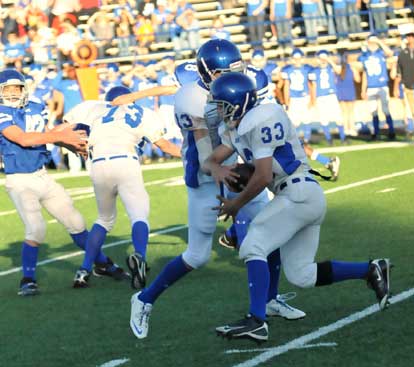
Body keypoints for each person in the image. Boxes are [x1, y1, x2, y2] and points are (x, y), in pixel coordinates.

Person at [129, 40, 305, 340]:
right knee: (197, 256)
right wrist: (224, 171)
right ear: (206, 72)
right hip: (205, 175)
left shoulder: (247, 81)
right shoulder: (190, 97)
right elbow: (206, 151)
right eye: (225, 71)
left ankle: (267, 303)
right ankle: (144, 299)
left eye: (236, 69)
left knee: (266, 237)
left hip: (238, 168)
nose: (233, 75)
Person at [203, 72, 391, 341]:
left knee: (253, 244)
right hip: (302, 195)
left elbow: (264, 175)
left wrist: (236, 204)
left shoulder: (261, 119)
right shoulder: (236, 129)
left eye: (222, 105)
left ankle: (257, 320)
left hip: (297, 193)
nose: (218, 111)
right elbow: (209, 161)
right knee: (301, 274)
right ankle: (370, 269)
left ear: (239, 103)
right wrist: (217, 169)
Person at [63, 86, 181, 288]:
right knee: (138, 215)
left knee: (104, 219)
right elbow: (165, 146)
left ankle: (83, 269)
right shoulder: (142, 112)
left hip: (98, 163)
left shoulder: (93, 107)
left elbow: (65, 127)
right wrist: (194, 157)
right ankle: (140, 258)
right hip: (126, 160)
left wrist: (75, 146)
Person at [0, 69, 101, 296]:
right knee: (36, 229)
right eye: (8, 89)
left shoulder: (35, 106)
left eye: (17, 88)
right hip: (20, 180)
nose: (13, 93)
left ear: (24, 89)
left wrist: (70, 144)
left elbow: (44, 134)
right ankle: (27, 280)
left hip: (43, 175)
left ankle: (103, 264)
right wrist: (61, 136)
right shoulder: (2, 112)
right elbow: (24, 139)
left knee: (75, 221)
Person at [281, 49, 340, 179]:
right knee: (292, 142)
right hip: (288, 105)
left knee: (290, 142)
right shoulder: (287, 70)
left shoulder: (307, 69)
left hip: (295, 103)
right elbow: (284, 86)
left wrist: (311, 99)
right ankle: (326, 161)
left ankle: (325, 161)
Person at [358, 34, 395, 140]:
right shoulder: (364, 56)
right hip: (371, 86)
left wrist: (379, 42)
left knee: (386, 110)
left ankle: (391, 131)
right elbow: (365, 74)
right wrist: (363, 89)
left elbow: (390, 53)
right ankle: (376, 133)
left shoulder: (381, 52)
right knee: (373, 111)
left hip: (382, 85)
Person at [309, 50, 346, 145]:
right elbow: (313, 86)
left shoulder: (331, 68)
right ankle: (329, 139)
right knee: (323, 118)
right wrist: (313, 99)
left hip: (331, 95)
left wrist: (330, 60)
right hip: (321, 96)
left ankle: (343, 138)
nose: (323, 60)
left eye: (324, 58)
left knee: (338, 117)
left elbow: (339, 71)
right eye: (321, 58)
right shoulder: (314, 71)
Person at [396, 29, 414, 119]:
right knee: (412, 110)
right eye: (408, 36)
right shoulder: (403, 53)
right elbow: (399, 71)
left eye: (412, 36)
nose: (410, 38)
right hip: (408, 85)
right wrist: (396, 87)